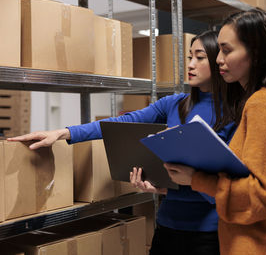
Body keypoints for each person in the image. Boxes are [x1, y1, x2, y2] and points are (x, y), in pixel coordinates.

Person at [7, 30, 236, 255]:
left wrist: (179, 185)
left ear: (218, 60)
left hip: (209, 232)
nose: (191, 64)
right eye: (189, 57)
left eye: (199, 57)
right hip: (167, 226)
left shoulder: (235, 112)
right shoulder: (174, 104)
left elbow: (231, 185)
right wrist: (63, 133)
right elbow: (122, 122)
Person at [163, 9, 266, 255]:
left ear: (255, 52)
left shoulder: (261, 104)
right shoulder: (264, 98)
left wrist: (196, 179)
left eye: (227, 50)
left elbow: (261, 196)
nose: (218, 59)